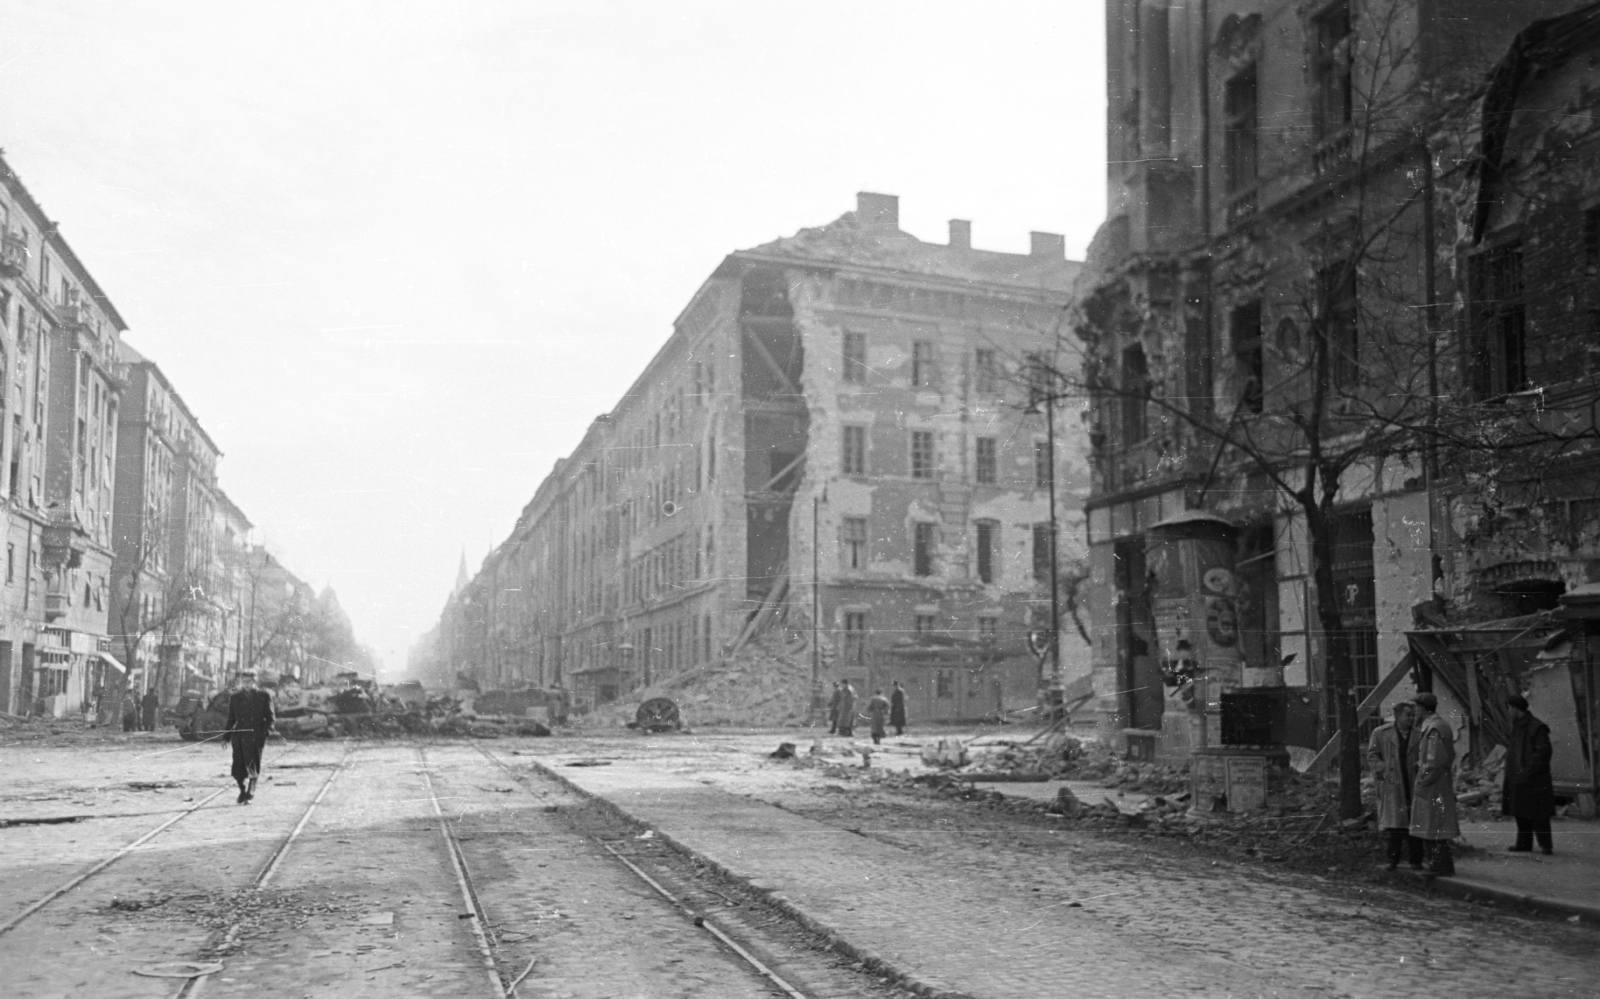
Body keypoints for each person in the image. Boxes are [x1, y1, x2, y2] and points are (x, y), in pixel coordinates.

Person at [1366, 699, 1423, 870]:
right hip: (1392, 784)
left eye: (1413, 715)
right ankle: (1393, 860)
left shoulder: (1419, 735)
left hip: (1413, 782)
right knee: (1395, 824)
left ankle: (1416, 861)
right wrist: (1383, 770)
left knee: (1415, 823)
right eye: (1408, 715)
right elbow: (1372, 755)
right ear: (1397, 716)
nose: (1411, 718)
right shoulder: (1381, 733)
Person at [1409, 692, 1459, 876]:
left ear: (1422, 708)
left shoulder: (1433, 728)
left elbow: (1434, 761)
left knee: (1432, 826)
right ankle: (1440, 865)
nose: (1414, 712)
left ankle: (1441, 866)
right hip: (1437, 783)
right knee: (1433, 825)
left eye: (1416, 708)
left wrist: (1421, 780)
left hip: (1432, 785)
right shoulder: (1437, 726)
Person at [1502, 694, 1555, 855]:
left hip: (1534, 778)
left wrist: (1527, 770)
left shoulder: (1536, 727)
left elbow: (1544, 752)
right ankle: (1523, 844)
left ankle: (1546, 846)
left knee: (1539, 814)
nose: (1509, 711)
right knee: (1520, 811)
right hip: (1519, 776)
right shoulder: (1518, 726)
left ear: (1517, 709)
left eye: (1510, 708)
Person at [225, 671, 275, 805]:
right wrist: (226, 737)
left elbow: (270, 719)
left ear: (255, 682)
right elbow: (231, 718)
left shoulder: (264, 696)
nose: (246, 684)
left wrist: (264, 733)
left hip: (256, 734)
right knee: (238, 767)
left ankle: (251, 790)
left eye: (249, 682)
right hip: (239, 735)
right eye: (244, 682)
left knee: (252, 764)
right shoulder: (235, 697)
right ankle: (242, 789)